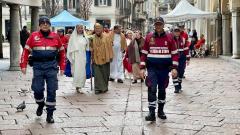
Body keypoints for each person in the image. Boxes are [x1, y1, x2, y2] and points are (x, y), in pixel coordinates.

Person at [20, 16, 66, 123]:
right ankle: (40, 104)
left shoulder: (55, 36)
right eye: (42, 23)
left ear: (50, 25)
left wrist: (62, 67)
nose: (45, 25)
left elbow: (62, 52)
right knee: (37, 89)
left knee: (52, 90)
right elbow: (25, 51)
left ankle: (50, 114)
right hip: (38, 67)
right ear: (39, 25)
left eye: (47, 23)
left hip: (51, 66)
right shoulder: (33, 36)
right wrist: (23, 65)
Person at [139, 17, 178, 121]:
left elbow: (174, 54)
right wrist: (142, 68)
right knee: (151, 88)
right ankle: (151, 113)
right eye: (156, 24)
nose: (158, 26)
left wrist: (174, 68)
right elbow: (144, 54)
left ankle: (160, 111)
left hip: (164, 69)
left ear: (163, 25)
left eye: (160, 24)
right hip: (152, 68)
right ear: (154, 25)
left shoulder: (170, 37)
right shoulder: (149, 37)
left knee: (162, 90)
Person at [90, 23, 113, 94]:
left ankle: (104, 87)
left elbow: (110, 47)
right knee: (97, 74)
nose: (97, 30)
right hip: (96, 58)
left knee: (105, 74)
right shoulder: (92, 37)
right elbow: (90, 47)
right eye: (96, 28)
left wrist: (110, 56)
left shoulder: (107, 37)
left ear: (102, 29)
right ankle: (97, 88)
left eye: (99, 28)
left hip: (105, 58)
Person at [67, 25, 89, 93]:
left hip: (83, 57)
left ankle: (80, 86)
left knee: (82, 72)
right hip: (75, 57)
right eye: (78, 28)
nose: (80, 29)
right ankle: (77, 86)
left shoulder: (85, 37)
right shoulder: (73, 37)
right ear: (76, 29)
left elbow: (87, 48)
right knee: (76, 71)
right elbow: (70, 47)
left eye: (81, 28)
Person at [171, 26, 190, 93]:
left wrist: (188, 58)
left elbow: (186, 49)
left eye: (178, 31)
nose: (176, 33)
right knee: (174, 72)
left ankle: (179, 84)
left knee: (181, 72)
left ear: (180, 32)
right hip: (173, 58)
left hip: (182, 58)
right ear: (173, 32)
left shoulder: (183, 39)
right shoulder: (171, 40)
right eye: (175, 31)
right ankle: (176, 88)